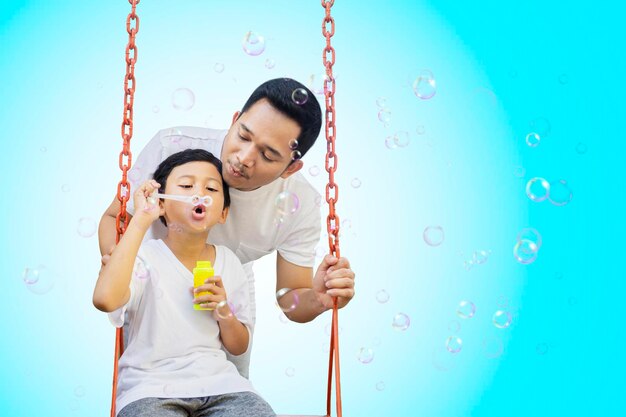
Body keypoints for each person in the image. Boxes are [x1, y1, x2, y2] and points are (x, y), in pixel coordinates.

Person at [98, 77, 356, 376]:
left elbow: (292, 297)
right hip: (152, 280)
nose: (243, 159)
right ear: (234, 120)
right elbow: (114, 220)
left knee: (231, 384)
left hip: (227, 286)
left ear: (290, 168)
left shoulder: (301, 204)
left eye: (268, 155)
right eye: (243, 136)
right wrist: (120, 267)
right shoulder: (172, 147)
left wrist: (319, 299)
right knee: (149, 379)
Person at [93, 149, 276, 417]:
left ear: (223, 213)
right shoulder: (142, 258)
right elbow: (105, 299)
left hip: (224, 387)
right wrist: (142, 219)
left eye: (211, 188)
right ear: (162, 204)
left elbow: (238, 346)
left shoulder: (229, 262)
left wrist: (223, 309)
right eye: (187, 186)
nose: (198, 193)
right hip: (151, 389)